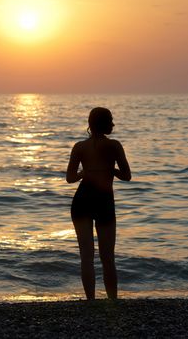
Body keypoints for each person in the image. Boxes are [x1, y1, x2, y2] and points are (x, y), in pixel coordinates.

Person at [66, 107, 131, 300]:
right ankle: (112, 301)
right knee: (107, 257)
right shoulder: (114, 146)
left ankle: (91, 302)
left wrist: (84, 173)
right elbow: (127, 176)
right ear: (105, 123)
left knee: (86, 257)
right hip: (104, 201)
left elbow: (70, 178)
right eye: (111, 120)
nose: (113, 124)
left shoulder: (79, 147)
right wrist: (111, 170)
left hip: (82, 201)